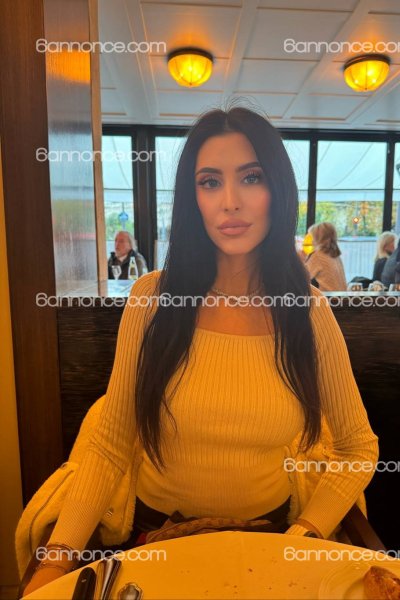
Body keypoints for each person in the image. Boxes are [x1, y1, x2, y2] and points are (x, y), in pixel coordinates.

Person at [23, 107, 378, 595]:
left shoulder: (308, 312)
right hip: (158, 539)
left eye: (251, 177)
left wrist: (305, 533)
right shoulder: (152, 300)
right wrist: (56, 559)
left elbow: (358, 448)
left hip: (268, 539)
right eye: (210, 182)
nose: (230, 202)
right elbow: (109, 445)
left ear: (278, 189)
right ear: (192, 199)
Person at [302, 222, 347, 291]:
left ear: (318, 238)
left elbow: (302, 278)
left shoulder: (317, 256)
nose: (311, 240)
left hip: (326, 297)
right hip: (341, 297)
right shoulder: (335, 256)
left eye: (312, 236)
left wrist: (300, 260)